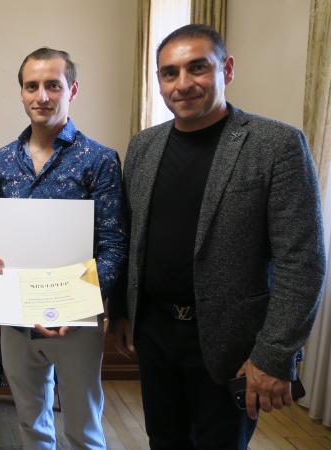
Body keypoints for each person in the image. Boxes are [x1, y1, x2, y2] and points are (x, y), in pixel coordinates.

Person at [108, 24, 325, 449]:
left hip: (232, 345)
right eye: (170, 73)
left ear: (226, 69)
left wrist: (273, 355)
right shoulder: (143, 147)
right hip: (155, 336)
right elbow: (130, 236)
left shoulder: (276, 145)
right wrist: (121, 310)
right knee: (163, 441)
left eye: (198, 68)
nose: (182, 83)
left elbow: (303, 262)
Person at [0, 47, 127, 450]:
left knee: (83, 429)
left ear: (72, 90)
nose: (41, 96)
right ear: (21, 92)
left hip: (75, 322)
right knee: (31, 424)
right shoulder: (3, 161)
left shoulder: (99, 159)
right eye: (32, 86)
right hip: (17, 318)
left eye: (53, 86)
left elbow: (114, 245)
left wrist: (71, 306)